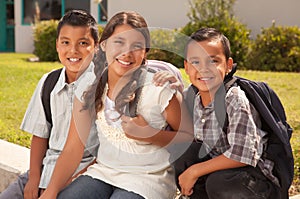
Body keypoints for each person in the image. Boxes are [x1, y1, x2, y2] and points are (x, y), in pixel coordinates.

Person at [39, 11, 193, 199]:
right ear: (103, 45)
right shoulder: (90, 89)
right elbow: (72, 149)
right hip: (103, 172)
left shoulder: (158, 89)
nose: (126, 52)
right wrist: (51, 191)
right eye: (119, 42)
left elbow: (187, 137)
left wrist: (150, 134)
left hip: (148, 179)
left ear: (145, 52)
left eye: (137, 46)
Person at [0, 10, 100, 199]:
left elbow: (103, 155)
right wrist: (34, 178)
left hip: (84, 173)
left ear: (96, 47)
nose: (73, 51)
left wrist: (60, 185)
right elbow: (40, 135)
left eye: (83, 43)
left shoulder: (102, 87)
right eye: (66, 42)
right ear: (57, 45)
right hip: (46, 168)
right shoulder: (49, 82)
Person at [174, 27, 280, 198]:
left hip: (252, 179)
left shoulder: (234, 98)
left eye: (213, 61)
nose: (204, 69)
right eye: (195, 62)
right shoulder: (191, 96)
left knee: (220, 183)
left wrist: (194, 171)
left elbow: (242, 155)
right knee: (183, 154)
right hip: (220, 171)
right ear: (186, 67)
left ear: (228, 65)